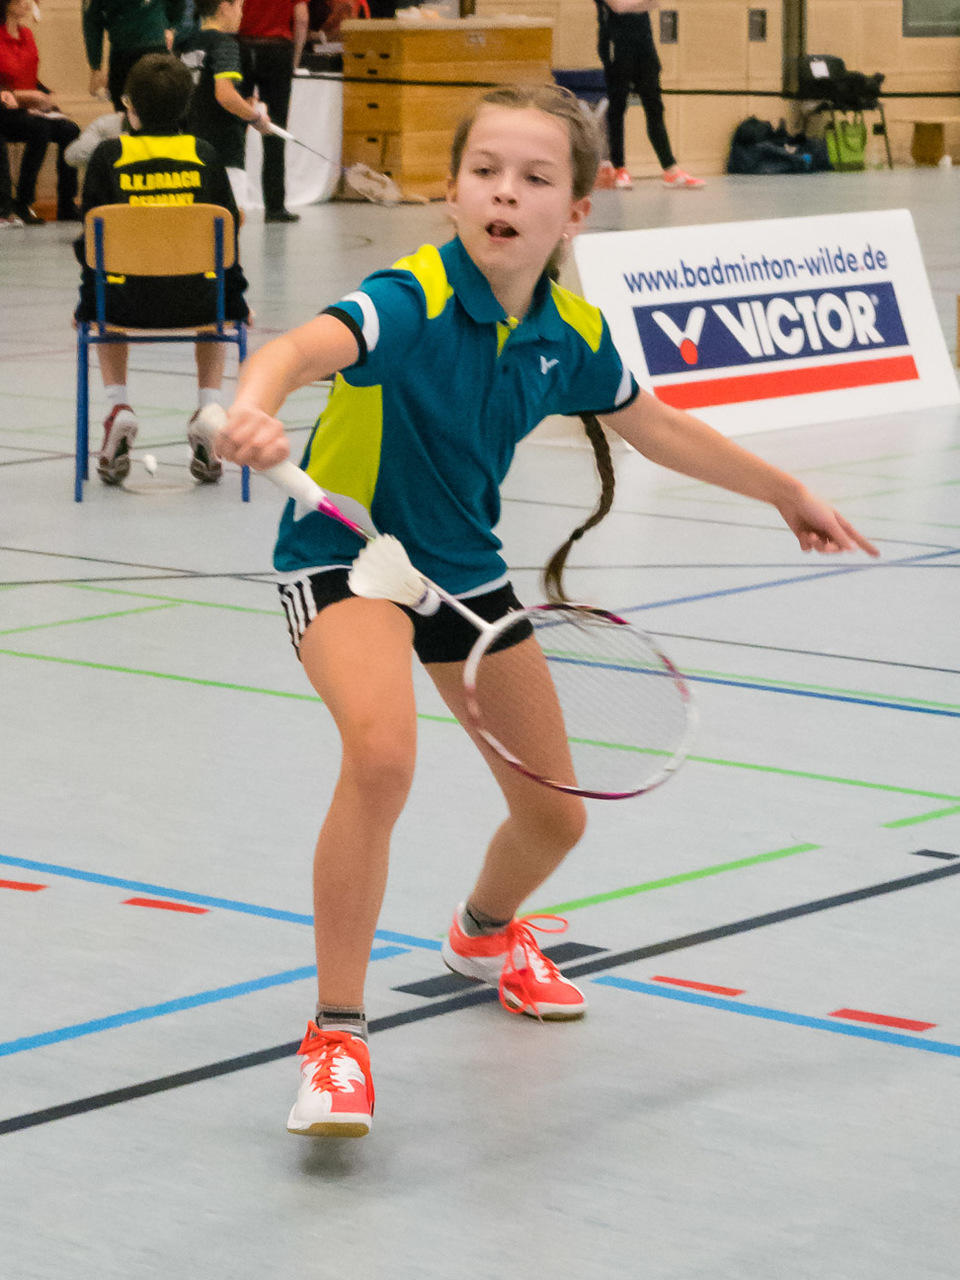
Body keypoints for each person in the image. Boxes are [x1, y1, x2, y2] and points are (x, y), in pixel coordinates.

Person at [214, 83, 878, 1139]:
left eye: (533, 178)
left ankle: (484, 933)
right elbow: (297, 350)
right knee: (381, 758)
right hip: (349, 559)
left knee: (555, 814)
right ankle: (337, 1033)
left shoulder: (569, 332)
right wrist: (254, 407)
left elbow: (655, 424)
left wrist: (785, 490)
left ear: (575, 211)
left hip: (462, 574)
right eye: (484, 172)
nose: (504, 193)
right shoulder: (410, 298)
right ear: (452, 192)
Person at [75, 53, 249, 486]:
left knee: (106, 292)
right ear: (187, 105)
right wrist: (237, 301)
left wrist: (86, 305)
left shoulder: (108, 156)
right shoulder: (205, 155)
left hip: (124, 304)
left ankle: (119, 405)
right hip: (198, 303)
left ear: (128, 105)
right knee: (214, 292)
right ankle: (208, 407)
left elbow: (90, 246)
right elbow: (228, 240)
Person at [594, 0, 703, 190]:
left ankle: (670, 169)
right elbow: (619, 6)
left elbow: (654, 3)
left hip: (644, 44)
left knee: (654, 107)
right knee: (618, 107)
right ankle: (619, 167)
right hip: (616, 45)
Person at [178, 0, 274, 209]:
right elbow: (225, 95)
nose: (241, 14)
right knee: (231, 220)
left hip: (189, 150)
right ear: (224, 7)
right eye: (239, 6)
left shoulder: (187, 44)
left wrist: (244, 104)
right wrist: (256, 118)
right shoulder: (225, 44)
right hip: (224, 151)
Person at [0, 0, 81, 222]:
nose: (28, 2)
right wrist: (25, 97)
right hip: (5, 109)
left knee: (70, 130)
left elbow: (29, 75)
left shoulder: (26, 34)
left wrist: (45, 95)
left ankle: (67, 205)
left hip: (28, 109)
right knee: (39, 129)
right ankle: (24, 202)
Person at [237, 0, 308, 221]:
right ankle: (275, 206)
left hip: (242, 47)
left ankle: (231, 199)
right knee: (276, 129)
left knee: (236, 128)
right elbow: (302, 18)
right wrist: (294, 61)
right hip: (278, 50)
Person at [83, 0, 184, 112]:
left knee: (156, 108)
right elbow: (92, 20)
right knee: (131, 109)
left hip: (151, 48)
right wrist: (95, 67)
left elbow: (92, 21)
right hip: (126, 53)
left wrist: (171, 28)